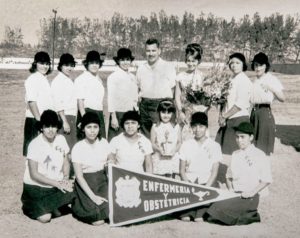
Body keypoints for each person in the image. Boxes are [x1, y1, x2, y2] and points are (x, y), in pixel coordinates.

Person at [205, 122, 272, 225]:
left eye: (242, 137)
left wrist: (252, 192)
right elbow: (228, 176)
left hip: (250, 196)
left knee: (216, 213)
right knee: (211, 209)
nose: (239, 140)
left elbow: (266, 180)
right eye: (237, 137)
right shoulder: (235, 154)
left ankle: (251, 216)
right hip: (236, 194)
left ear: (251, 137)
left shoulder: (259, 154)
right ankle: (247, 215)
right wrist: (230, 189)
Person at [21, 110, 74, 223]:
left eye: (53, 126)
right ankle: (29, 205)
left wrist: (65, 178)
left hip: (54, 186)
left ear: (57, 127)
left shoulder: (61, 139)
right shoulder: (34, 144)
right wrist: (58, 184)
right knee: (45, 218)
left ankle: (52, 206)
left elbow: (66, 162)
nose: (50, 130)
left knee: (75, 192)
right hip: (36, 188)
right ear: (41, 128)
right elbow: (34, 174)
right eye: (47, 126)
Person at [178, 112, 222, 222]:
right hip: (189, 183)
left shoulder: (214, 146)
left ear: (206, 127)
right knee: (185, 217)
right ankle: (189, 209)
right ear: (191, 127)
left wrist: (206, 187)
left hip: (207, 183)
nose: (197, 130)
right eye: (195, 126)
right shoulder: (186, 144)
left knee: (199, 218)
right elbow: (182, 171)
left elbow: (214, 172)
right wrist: (188, 184)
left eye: (201, 126)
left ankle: (200, 211)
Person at [71, 112, 110, 225]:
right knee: (97, 219)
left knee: (112, 209)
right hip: (85, 183)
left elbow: (110, 157)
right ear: (83, 129)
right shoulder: (78, 147)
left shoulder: (104, 143)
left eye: (95, 127)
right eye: (89, 127)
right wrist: (93, 197)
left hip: (102, 181)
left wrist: (111, 160)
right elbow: (79, 177)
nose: (92, 131)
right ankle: (77, 204)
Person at [136, 38, 177, 138]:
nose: (151, 54)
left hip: (162, 105)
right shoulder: (141, 68)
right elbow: (138, 89)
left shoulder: (168, 67)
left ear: (159, 51)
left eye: (153, 50)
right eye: (148, 51)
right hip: (144, 106)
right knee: (146, 137)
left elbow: (173, 90)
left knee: (163, 136)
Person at [215, 53, 252, 155]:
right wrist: (221, 115)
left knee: (236, 154)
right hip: (228, 119)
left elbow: (240, 105)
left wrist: (224, 116)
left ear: (243, 64)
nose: (234, 65)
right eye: (231, 63)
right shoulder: (231, 79)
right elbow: (223, 100)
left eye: (237, 63)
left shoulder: (244, 80)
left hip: (238, 120)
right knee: (222, 152)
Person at [250, 52, 285, 155]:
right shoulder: (254, 81)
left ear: (265, 66)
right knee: (253, 147)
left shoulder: (271, 79)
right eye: (256, 65)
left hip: (265, 113)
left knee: (262, 149)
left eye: (260, 65)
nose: (258, 68)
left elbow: (282, 98)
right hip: (254, 113)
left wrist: (270, 88)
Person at [175, 43, 208, 140]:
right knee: (184, 139)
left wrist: (203, 109)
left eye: (193, 61)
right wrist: (180, 112)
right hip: (185, 113)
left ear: (198, 61)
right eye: (188, 61)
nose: (191, 64)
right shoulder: (180, 76)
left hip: (199, 112)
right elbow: (177, 96)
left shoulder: (203, 77)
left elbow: (207, 98)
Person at [23, 51, 53, 156]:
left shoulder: (44, 79)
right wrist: (39, 121)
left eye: (47, 64)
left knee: (43, 154)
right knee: (32, 154)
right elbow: (32, 102)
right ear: (35, 64)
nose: (45, 66)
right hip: (34, 121)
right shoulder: (33, 79)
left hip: (43, 121)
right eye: (42, 63)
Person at [107, 48, 138, 141]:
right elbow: (111, 97)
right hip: (118, 113)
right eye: (122, 60)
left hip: (130, 114)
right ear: (118, 61)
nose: (125, 62)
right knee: (116, 141)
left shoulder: (132, 77)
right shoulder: (113, 77)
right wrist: (113, 117)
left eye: (127, 59)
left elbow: (134, 96)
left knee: (129, 141)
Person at [74, 50, 106, 139]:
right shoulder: (81, 79)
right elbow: (80, 102)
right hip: (86, 113)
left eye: (97, 63)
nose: (95, 65)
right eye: (92, 63)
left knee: (100, 142)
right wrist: (85, 120)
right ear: (87, 64)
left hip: (98, 113)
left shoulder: (98, 79)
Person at [51, 53, 77, 149]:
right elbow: (58, 102)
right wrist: (64, 121)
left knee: (72, 146)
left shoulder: (68, 80)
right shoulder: (58, 81)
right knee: (64, 147)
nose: (69, 68)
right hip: (64, 117)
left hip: (71, 116)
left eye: (71, 65)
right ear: (61, 66)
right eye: (66, 65)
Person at [150, 100, 181, 178]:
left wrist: (174, 150)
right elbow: (152, 143)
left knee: (171, 179)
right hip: (160, 157)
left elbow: (179, 142)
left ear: (173, 113)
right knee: (160, 179)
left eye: (169, 113)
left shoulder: (176, 127)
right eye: (163, 112)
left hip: (172, 156)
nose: (166, 115)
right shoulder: (155, 127)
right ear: (159, 113)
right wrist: (159, 149)